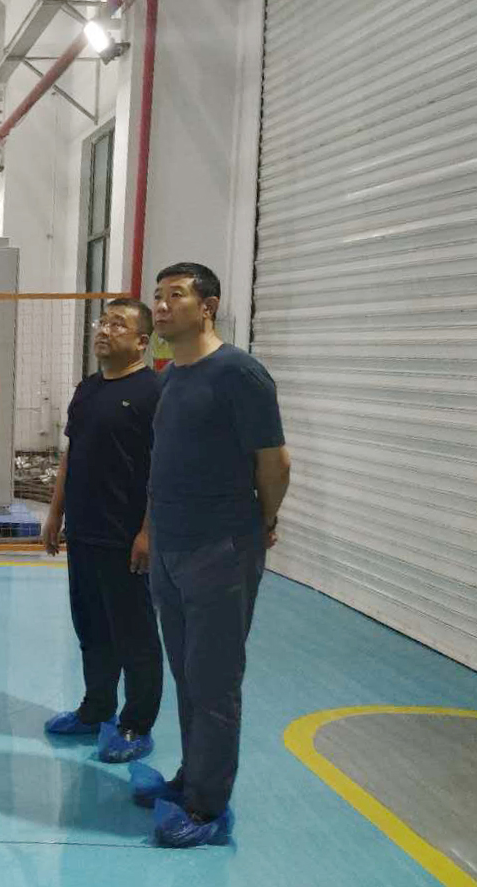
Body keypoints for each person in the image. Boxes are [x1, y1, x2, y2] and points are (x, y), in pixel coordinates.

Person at [129, 262, 290, 848]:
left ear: (208, 306)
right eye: (158, 296)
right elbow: (163, 464)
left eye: (176, 295)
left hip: (219, 548)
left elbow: (275, 462)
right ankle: (190, 777)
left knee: (215, 680)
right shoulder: (173, 375)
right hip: (171, 546)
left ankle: (207, 808)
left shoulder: (239, 374)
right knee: (187, 673)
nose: (162, 306)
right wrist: (150, 531)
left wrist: (261, 520)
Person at [41, 298, 164, 764]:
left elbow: (162, 468)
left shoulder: (154, 392)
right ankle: (96, 709)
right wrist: (55, 514)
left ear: (142, 341)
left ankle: (136, 725)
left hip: (125, 537)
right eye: (103, 322)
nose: (105, 330)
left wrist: (148, 532)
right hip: (84, 531)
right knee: (92, 629)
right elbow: (71, 455)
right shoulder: (88, 389)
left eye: (118, 325)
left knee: (135, 636)